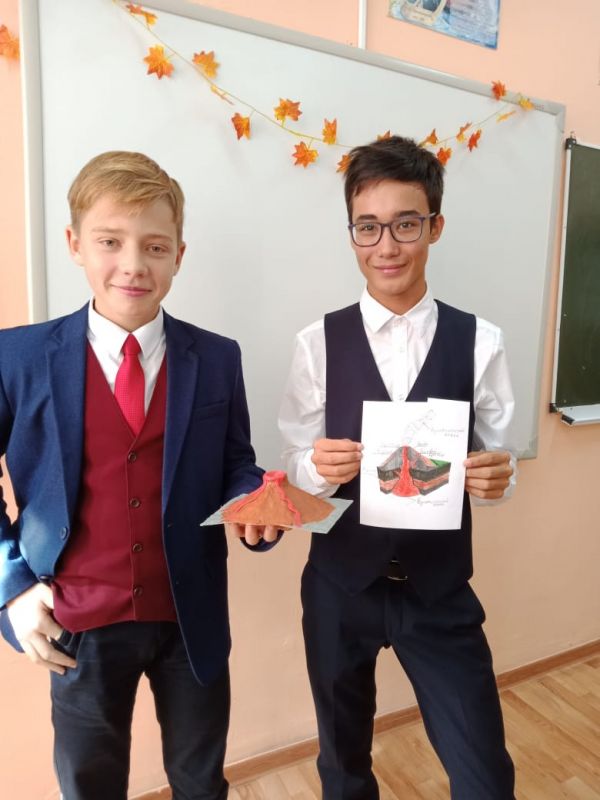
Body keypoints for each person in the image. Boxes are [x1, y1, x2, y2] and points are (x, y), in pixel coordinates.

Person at [0, 151, 278, 800]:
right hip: (75, 619)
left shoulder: (217, 358)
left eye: (155, 246)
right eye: (110, 242)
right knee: (90, 783)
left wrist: (253, 500)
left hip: (190, 614)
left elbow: (234, 461)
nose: (133, 264)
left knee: (200, 779)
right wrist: (11, 586)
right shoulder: (17, 356)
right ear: (74, 244)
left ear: (178, 255)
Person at [279, 135, 516, 799]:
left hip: (438, 589)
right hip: (340, 586)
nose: (386, 246)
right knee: (343, 763)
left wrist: (497, 480)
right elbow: (293, 463)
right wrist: (315, 467)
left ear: (434, 227)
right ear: (352, 232)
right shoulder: (316, 343)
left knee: (485, 774)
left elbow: (498, 461)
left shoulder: (482, 341)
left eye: (406, 224)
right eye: (368, 226)